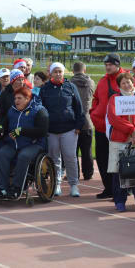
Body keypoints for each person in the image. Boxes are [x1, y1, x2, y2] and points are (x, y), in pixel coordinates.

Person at [90, 53, 135, 199]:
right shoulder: (103, 80)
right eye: (106, 64)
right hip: (102, 127)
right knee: (103, 159)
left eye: (110, 64)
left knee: (123, 160)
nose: (107, 67)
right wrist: (94, 114)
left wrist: (132, 126)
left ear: (117, 64)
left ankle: (124, 189)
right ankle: (109, 188)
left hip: (122, 129)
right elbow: (96, 99)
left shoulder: (128, 80)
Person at [106, 73, 135, 212]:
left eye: (129, 82)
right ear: (119, 86)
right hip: (120, 140)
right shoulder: (114, 99)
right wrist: (132, 130)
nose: (127, 85)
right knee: (119, 172)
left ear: (134, 83)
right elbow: (114, 118)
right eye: (123, 83)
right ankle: (120, 201)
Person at [0, 87, 49, 199]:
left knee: (23, 156)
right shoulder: (12, 110)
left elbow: (42, 131)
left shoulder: (39, 110)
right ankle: (2, 188)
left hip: (34, 144)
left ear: (28, 98)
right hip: (13, 144)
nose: (16, 101)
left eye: (19, 98)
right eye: (15, 98)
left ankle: (16, 188)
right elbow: (4, 124)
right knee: (2, 153)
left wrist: (22, 131)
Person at [40, 62, 84, 197]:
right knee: (54, 159)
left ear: (64, 73)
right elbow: (40, 109)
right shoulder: (45, 88)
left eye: (60, 71)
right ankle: (56, 184)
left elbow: (79, 107)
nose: (58, 74)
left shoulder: (71, 87)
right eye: (55, 72)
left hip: (69, 129)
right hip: (51, 131)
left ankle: (73, 185)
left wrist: (78, 126)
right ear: (51, 73)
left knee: (70, 157)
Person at [70, 62, 95, 180]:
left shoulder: (69, 83)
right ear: (84, 69)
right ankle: (88, 173)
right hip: (87, 120)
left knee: (73, 152)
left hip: (73, 121)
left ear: (73, 70)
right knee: (87, 151)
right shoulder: (91, 82)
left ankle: (75, 174)